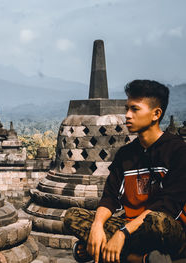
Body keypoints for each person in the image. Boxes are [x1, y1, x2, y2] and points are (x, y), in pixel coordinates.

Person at [64, 80, 186, 263]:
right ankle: (141, 258)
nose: (127, 115)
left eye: (135, 109)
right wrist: (97, 227)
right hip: (130, 227)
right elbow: (110, 198)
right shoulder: (125, 155)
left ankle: (113, 254)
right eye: (127, 108)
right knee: (72, 217)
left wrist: (121, 234)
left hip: (170, 231)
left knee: (157, 221)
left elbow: (167, 206)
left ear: (156, 114)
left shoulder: (178, 151)